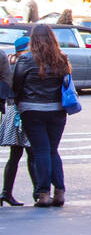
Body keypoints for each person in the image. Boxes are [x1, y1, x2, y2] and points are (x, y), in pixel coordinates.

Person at [12, 24, 69, 207]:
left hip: (31, 110)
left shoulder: (26, 59)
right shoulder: (61, 58)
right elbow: (67, 83)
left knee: (41, 151)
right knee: (53, 150)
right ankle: (59, 192)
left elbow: (16, 85)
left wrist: (18, 103)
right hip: (57, 109)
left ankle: (43, 193)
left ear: (33, 39)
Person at [0, 35, 37, 205]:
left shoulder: (14, 61)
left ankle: (6, 193)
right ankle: (38, 192)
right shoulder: (23, 63)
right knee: (31, 152)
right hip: (20, 112)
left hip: (14, 112)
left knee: (16, 154)